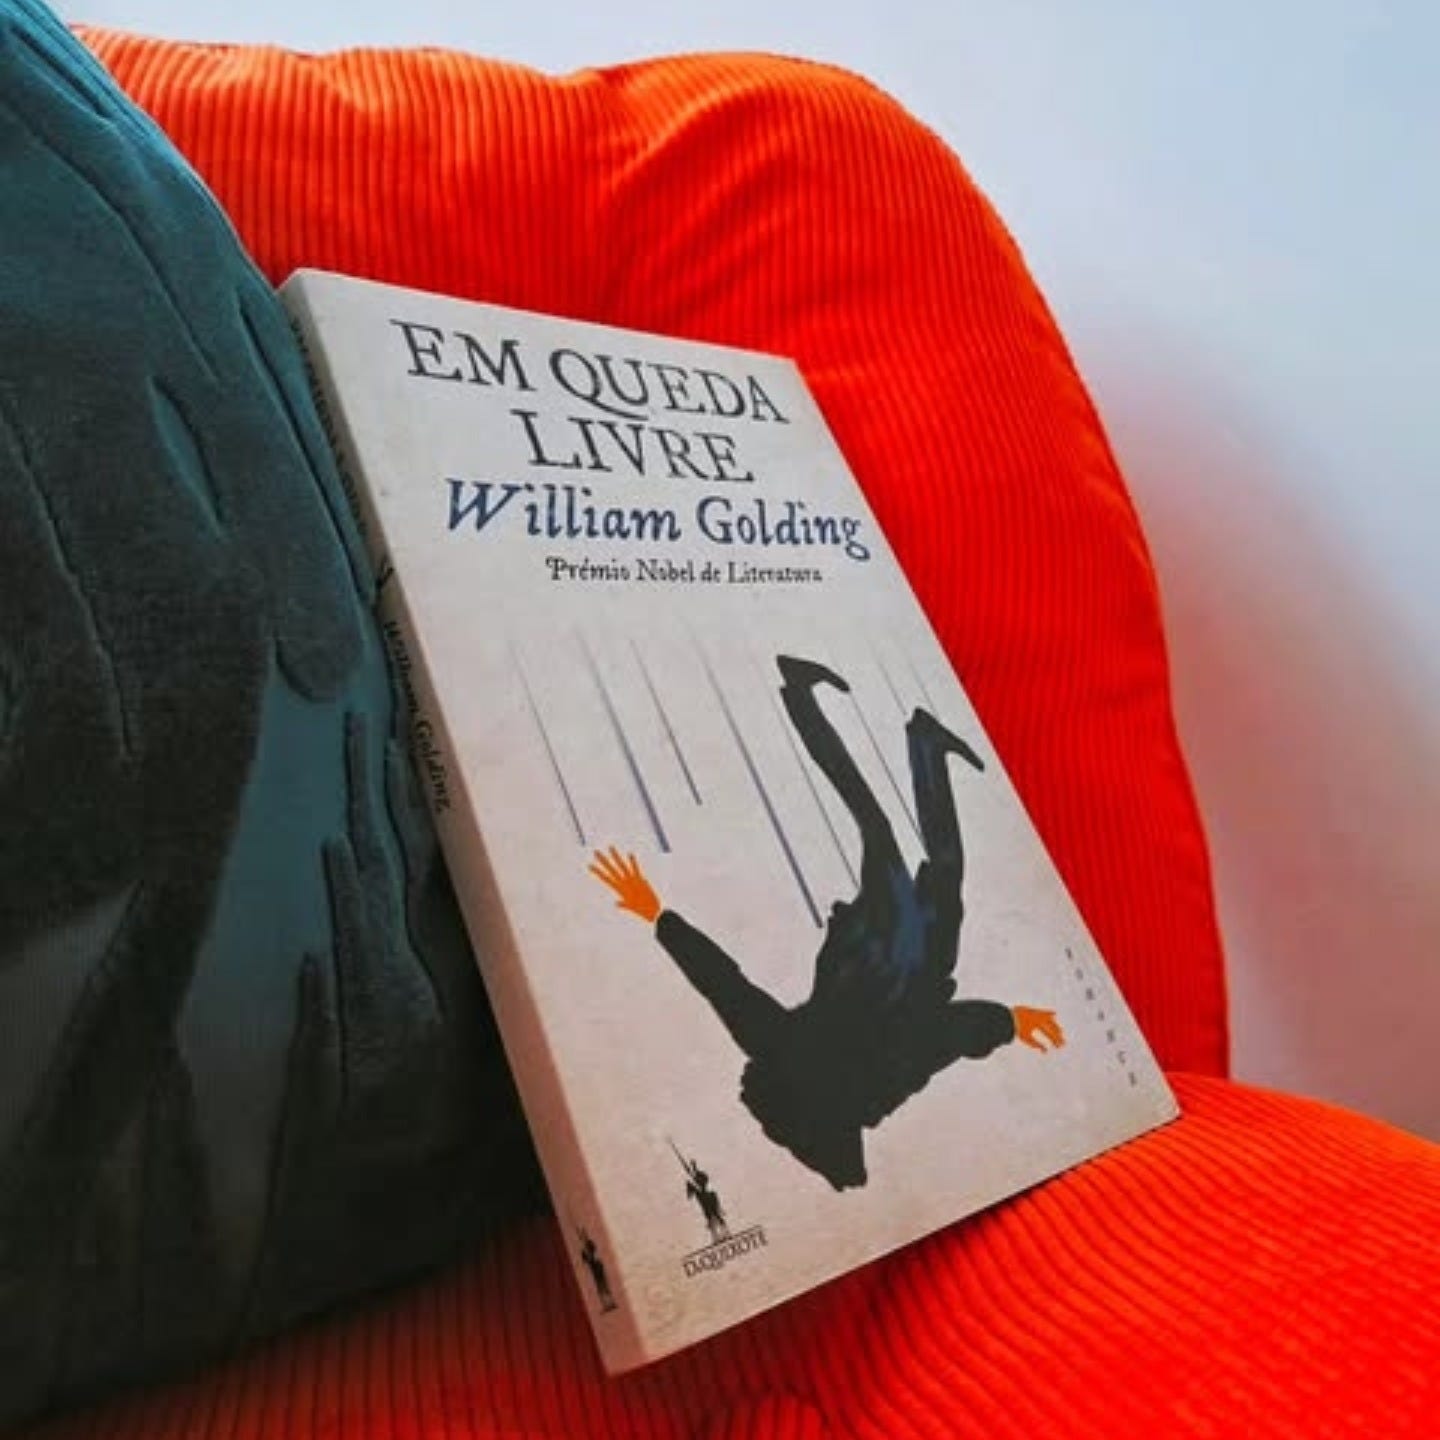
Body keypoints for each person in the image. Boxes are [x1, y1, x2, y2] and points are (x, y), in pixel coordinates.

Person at [591, 654, 1064, 1190]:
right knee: (917, 851)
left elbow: (725, 986)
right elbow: (725, 986)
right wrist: (658, 917)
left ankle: (809, 698)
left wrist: (1010, 1021)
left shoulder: (850, 1085)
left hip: (881, 952)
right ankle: (922, 744)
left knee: (891, 836)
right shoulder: (786, 1053)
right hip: (907, 958)